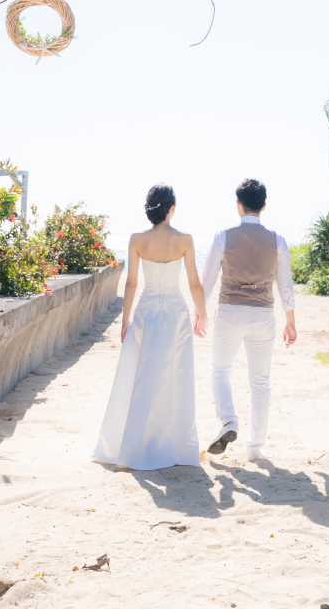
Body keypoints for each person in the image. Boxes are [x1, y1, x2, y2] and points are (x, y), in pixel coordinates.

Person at [92, 183, 208, 469]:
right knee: (175, 378)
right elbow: (194, 283)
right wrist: (202, 313)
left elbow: (131, 283)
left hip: (145, 313)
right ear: (171, 208)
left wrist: (125, 318)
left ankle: (132, 447)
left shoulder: (136, 239)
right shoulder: (185, 239)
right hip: (176, 314)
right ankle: (175, 447)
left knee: (141, 378)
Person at [199, 177, 296, 462]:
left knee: (220, 371)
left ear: (238, 205)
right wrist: (290, 321)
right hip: (263, 314)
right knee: (261, 381)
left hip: (229, 311)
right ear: (263, 206)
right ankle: (254, 448)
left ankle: (229, 421)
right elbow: (285, 286)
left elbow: (206, 281)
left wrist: (201, 313)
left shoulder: (222, 236)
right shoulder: (278, 240)